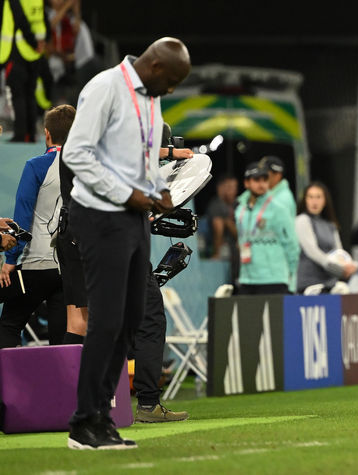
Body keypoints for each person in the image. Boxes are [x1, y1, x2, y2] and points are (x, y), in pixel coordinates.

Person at [62, 37, 191, 450]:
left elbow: (144, 159)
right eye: (171, 82)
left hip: (134, 216)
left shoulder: (150, 97)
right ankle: (84, 423)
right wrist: (125, 194)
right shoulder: (104, 88)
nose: (171, 91)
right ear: (154, 67)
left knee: (133, 318)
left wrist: (158, 190)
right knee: (108, 318)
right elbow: (76, 154)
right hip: (100, 216)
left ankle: (102, 417)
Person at [0, 104, 75, 348]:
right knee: (62, 338)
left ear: (47, 134)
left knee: (9, 325)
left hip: (36, 264)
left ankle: (8, 386)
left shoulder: (36, 166)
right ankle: (61, 387)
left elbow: (21, 219)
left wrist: (10, 260)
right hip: (71, 267)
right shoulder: (88, 169)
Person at [236, 161, 299, 295]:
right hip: (247, 279)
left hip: (274, 279)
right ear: (247, 183)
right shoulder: (240, 210)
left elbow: (292, 245)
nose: (262, 184)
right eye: (257, 180)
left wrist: (291, 279)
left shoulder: (278, 209)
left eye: (265, 179)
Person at [295, 181, 357, 294]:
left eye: (318, 197)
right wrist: (337, 268)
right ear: (305, 200)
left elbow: (339, 252)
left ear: (325, 201)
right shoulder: (302, 220)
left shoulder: (331, 225)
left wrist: (351, 265)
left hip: (330, 282)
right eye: (310, 197)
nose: (314, 201)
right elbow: (312, 251)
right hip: (309, 282)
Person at [6, 0, 46, 142]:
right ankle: (31, 133)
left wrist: (33, 42)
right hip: (35, 52)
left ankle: (21, 134)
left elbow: (19, 17)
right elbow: (42, 17)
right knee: (29, 93)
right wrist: (40, 42)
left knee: (18, 94)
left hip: (18, 49)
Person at [205, 174, 239, 284]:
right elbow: (218, 230)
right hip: (224, 252)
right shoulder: (216, 205)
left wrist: (229, 223)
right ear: (220, 188)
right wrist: (216, 253)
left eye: (234, 187)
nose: (233, 191)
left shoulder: (237, 204)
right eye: (229, 187)